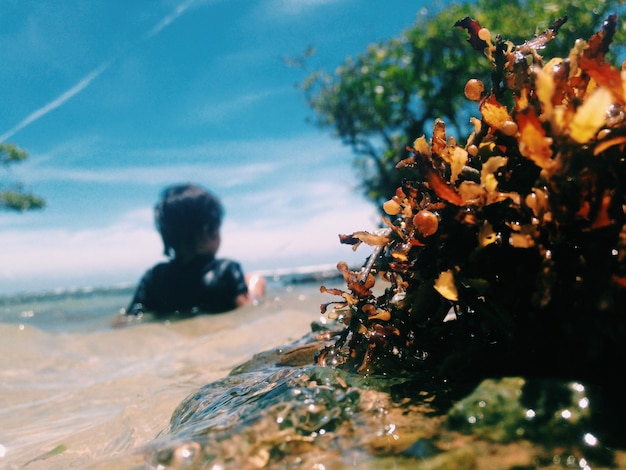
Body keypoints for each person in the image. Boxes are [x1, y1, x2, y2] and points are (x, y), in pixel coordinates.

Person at [120, 183, 265, 321]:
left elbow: (130, 317)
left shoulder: (154, 276)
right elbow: (247, 309)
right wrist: (255, 288)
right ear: (208, 230)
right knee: (255, 278)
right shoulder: (226, 269)